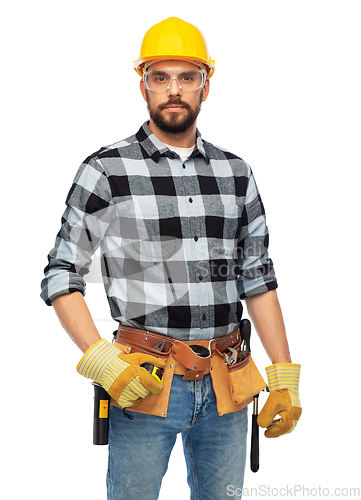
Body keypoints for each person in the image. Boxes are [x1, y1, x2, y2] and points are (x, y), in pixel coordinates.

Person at [41, 17, 301, 500]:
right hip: (143, 384)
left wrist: (283, 373)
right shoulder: (106, 171)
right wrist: (102, 361)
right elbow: (61, 273)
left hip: (228, 383)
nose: (174, 90)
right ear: (143, 85)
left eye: (187, 77)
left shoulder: (236, 173)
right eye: (161, 78)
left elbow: (258, 279)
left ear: (207, 84)